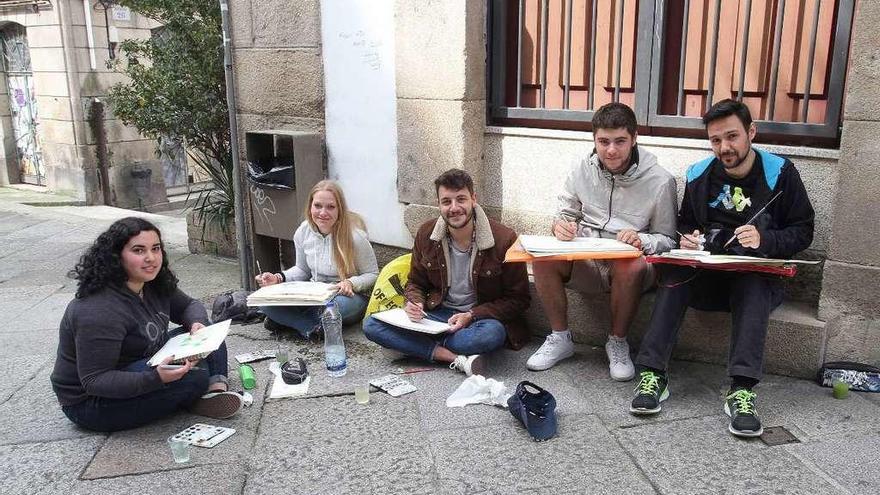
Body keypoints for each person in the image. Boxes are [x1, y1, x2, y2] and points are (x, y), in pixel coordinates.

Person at [630, 99, 815, 438]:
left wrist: (765, 241)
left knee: (753, 282)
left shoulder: (781, 173)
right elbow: (686, 223)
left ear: (751, 133)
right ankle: (653, 374)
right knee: (674, 275)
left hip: (754, 278)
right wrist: (687, 239)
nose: (724, 148)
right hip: (708, 275)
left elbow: (803, 230)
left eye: (732, 137)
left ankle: (742, 390)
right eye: (716, 140)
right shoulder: (699, 173)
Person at [526, 102, 678, 380]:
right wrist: (561, 226)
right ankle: (560, 338)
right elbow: (565, 212)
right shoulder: (580, 168)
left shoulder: (661, 180)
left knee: (630, 265)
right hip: (589, 257)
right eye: (603, 141)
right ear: (594, 139)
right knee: (542, 257)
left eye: (620, 141)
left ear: (634, 138)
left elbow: (669, 239)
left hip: (631, 266)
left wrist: (642, 240)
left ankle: (618, 342)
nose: (611, 150)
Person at [51, 217, 242, 432]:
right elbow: (95, 380)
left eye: (156, 248)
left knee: (207, 331)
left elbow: (189, 305)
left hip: (143, 359)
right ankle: (195, 392)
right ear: (116, 256)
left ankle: (214, 390)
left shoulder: (152, 283)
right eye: (139, 250)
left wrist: (196, 324)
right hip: (92, 403)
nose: (151, 258)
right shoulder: (98, 310)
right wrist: (155, 378)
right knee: (192, 377)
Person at [363, 169, 530, 375]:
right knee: (371, 325)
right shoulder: (426, 233)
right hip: (438, 314)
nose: (454, 208)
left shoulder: (504, 238)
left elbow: (519, 299)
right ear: (438, 204)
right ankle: (453, 357)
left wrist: (471, 315)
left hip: (480, 319)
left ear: (473, 199)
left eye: (461, 199)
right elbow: (415, 282)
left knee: (490, 336)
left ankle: (413, 345)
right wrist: (414, 302)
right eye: (446, 201)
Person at [255, 180, 378, 338]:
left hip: (346, 297)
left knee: (333, 308)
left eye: (330, 207)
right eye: (318, 206)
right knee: (263, 300)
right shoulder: (303, 232)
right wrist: (278, 278)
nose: (323, 213)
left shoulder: (355, 237)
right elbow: (302, 270)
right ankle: (310, 327)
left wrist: (350, 283)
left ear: (340, 209)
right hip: (314, 294)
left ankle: (289, 321)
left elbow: (373, 274)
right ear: (310, 207)